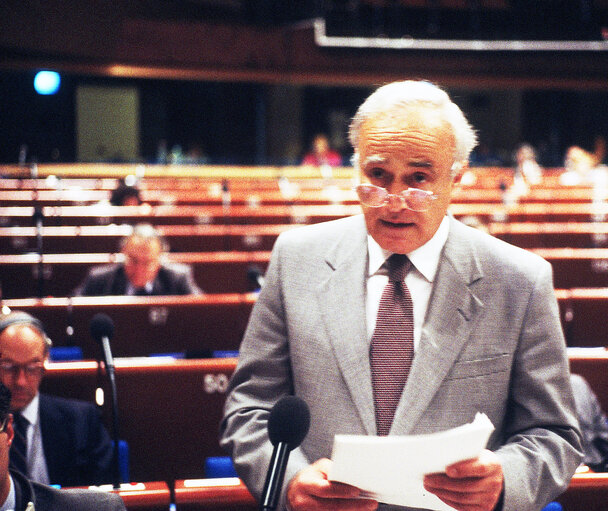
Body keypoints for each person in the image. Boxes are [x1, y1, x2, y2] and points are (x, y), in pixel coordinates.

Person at [220, 80, 583, 511]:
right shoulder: (297, 259)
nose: (394, 202)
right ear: (357, 169)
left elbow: (554, 434)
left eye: (418, 179)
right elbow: (249, 409)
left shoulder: (520, 281)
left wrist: (505, 479)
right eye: (378, 176)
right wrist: (289, 481)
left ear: (456, 178)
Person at [0, 311, 115, 487]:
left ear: (46, 360)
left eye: (32, 367)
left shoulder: (82, 421)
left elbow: (104, 497)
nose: (21, 381)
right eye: (8, 367)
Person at [74, 223, 203, 296]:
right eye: (133, 260)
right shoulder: (99, 280)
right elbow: (73, 312)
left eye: (147, 263)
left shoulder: (178, 279)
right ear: (123, 253)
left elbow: (202, 313)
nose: (139, 270)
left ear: (159, 260)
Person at [570, 374, 608, 466]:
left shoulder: (578, 384)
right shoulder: (577, 384)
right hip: (564, 474)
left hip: (593, 469)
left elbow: (605, 438)